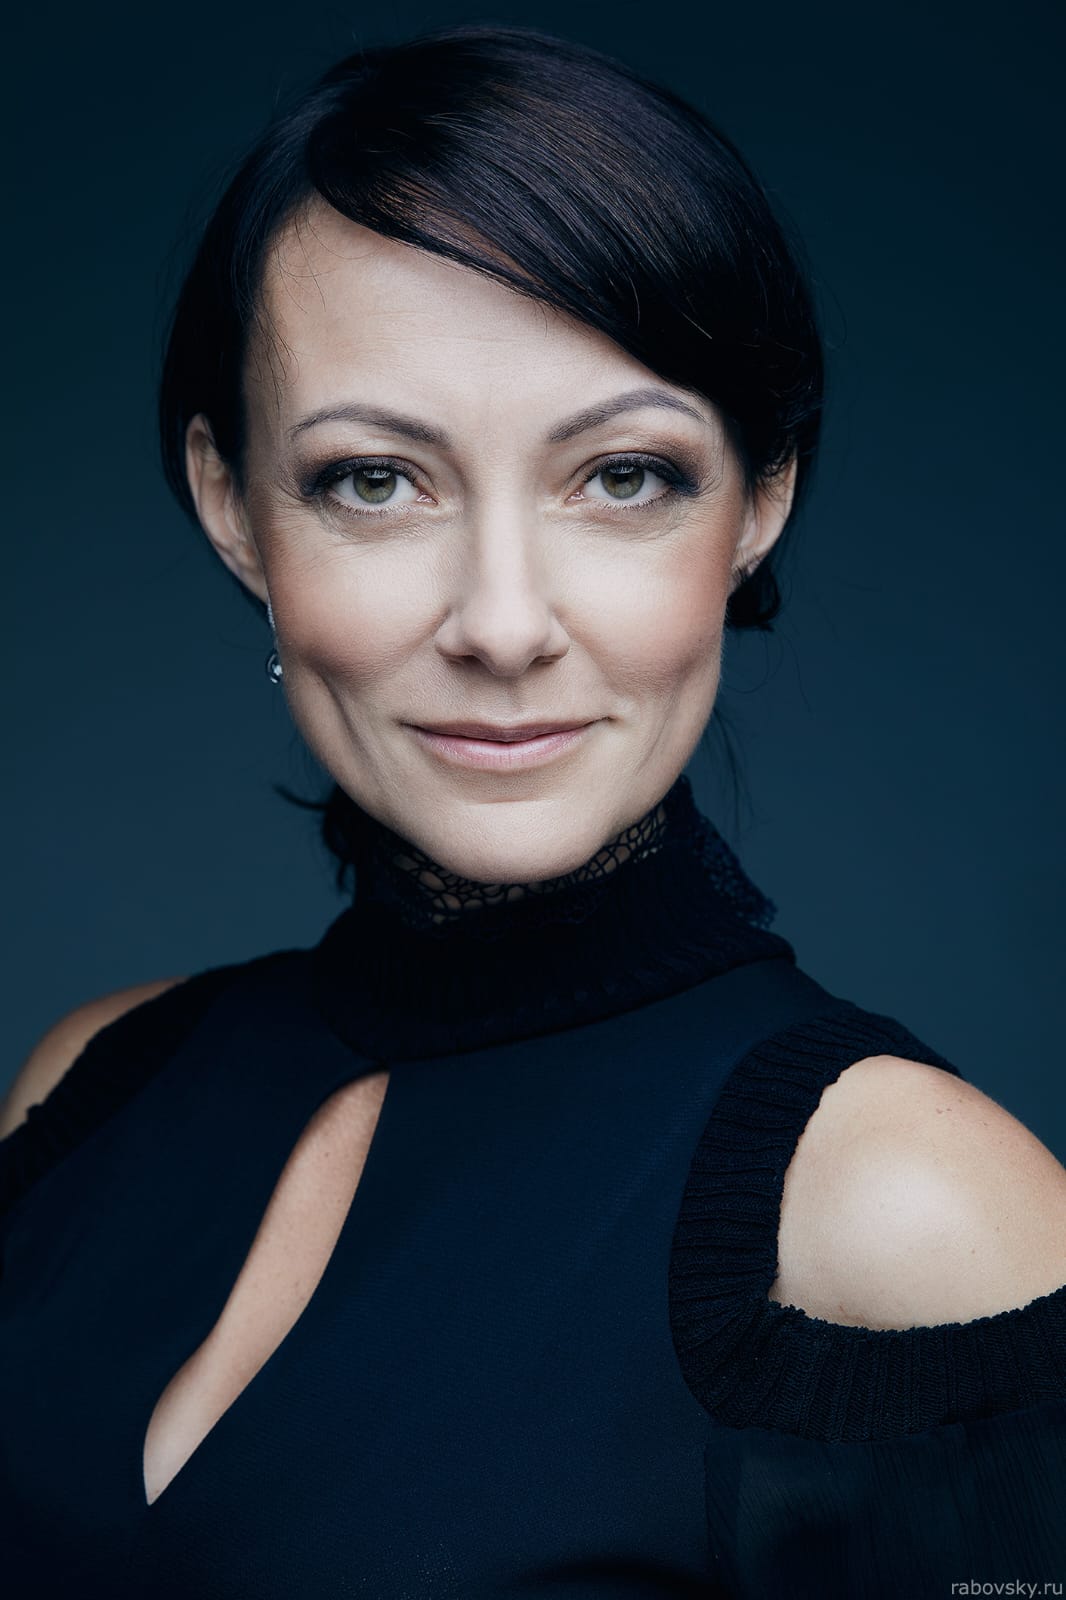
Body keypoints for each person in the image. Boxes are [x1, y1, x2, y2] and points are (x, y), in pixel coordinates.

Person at [1, 22, 1063, 1597]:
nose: (501, 624)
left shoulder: (910, 1208)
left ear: (759, 500)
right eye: (374, 479)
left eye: (621, 476)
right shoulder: (94, 1085)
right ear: (233, 508)